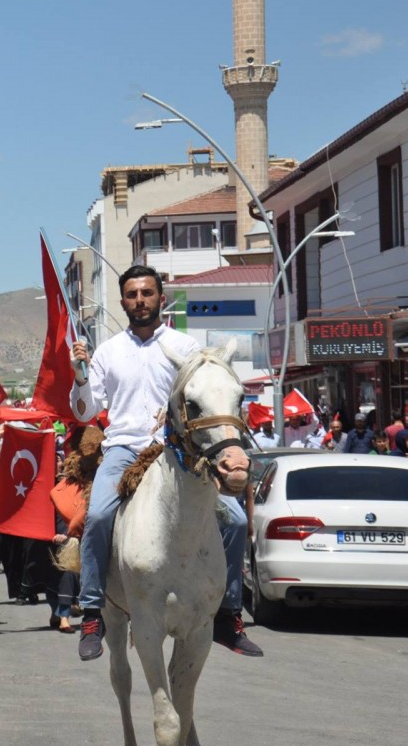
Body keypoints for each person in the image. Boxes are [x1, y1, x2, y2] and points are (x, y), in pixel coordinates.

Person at [69, 264, 257, 661]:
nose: (140, 300)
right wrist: (80, 377)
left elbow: (202, 394)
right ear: (123, 301)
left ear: (160, 297)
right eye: (132, 295)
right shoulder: (107, 352)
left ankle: (228, 614)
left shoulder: (185, 347)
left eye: (147, 293)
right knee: (98, 515)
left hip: (175, 449)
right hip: (124, 448)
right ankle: (92, 612)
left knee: (237, 520)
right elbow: (85, 412)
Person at [48, 426, 102, 633]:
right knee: (68, 573)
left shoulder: (101, 477)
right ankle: (63, 616)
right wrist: (67, 532)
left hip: (90, 534)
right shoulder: (62, 486)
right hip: (69, 537)